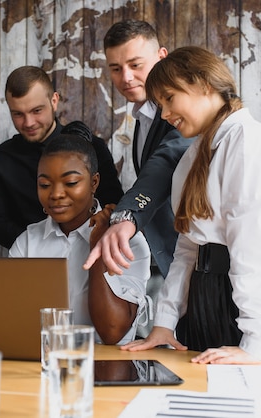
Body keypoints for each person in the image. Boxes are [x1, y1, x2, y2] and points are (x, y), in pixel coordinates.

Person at [121, 46, 261, 379]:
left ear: (202, 84)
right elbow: (187, 249)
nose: (165, 113)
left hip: (252, 309)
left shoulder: (245, 141)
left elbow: (250, 246)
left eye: (169, 98)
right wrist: (165, 324)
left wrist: (255, 342)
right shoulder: (194, 154)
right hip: (208, 300)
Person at [9, 127, 151, 345]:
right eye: (44, 184)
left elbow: (112, 332)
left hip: (112, 370)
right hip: (44, 365)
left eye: (71, 183)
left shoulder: (129, 241)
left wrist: (98, 246)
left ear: (94, 182)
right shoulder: (28, 243)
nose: (55, 194)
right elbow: (14, 322)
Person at [84, 20, 192, 282]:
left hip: (202, 261)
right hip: (173, 264)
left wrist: (126, 215)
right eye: (116, 68)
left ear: (161, 57)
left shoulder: (183, 112)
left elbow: (164, 164)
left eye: (136, 65)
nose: (127, 77)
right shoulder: (143, 117)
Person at [0, 66, 124, 250]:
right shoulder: (0, 158)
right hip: (30, 261)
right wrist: (42, 247)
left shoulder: (93, 148)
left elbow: (114, 206)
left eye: (37, 111)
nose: (28, 123)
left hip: (90, 251)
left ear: (54, 101)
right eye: (18, 114)